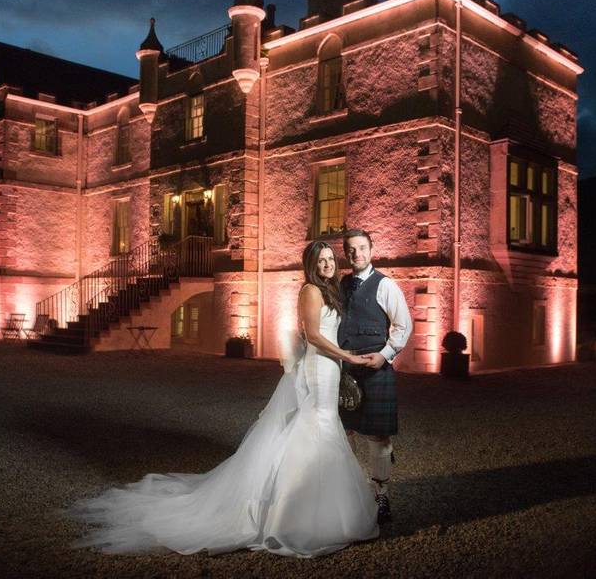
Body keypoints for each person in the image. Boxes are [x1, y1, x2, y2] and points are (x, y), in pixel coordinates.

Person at [70, 241, 380, 557]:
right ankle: (292, 515)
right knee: (315, 426)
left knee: (324, 425)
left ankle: (323, 507)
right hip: (318, 367)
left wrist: (346, 357)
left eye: (330, 259)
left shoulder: (331, 291)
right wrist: (349, 358)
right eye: (321, 259)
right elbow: (313, 336)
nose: (327, 264)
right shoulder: (310, 292)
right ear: (311, 264)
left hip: (331, 368)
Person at [338, 229, 413, 525]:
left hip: (375, 367)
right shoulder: (341, 285)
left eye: (361, 248)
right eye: (351, 249)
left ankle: (381, 492)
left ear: (371, 250)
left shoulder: (386, 285)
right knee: (345, 433)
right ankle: (353, 491)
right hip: (345, 368)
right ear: (346, 253)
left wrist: (384, 355)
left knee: (378, 436)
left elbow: (402, 326)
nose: (356, 254)